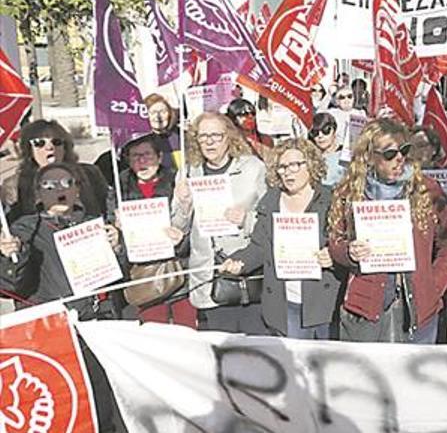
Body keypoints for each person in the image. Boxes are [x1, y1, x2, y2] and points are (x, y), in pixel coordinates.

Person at [0, 162, 127, 432]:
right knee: (76, 411)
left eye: (66, 183)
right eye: (49, 185)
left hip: (100, 327)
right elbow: (11, 284)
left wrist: (118, 248)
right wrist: (13, 255)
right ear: (37, 194)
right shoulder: (25, 230)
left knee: (109, 409)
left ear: (78, 190)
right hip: (59, 334)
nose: (59, 190)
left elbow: (120, 281)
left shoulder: (94, 223)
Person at [327, 118, 447, 343]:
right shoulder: (350, 191)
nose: (399, 159)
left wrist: (433, 285)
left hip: (418, 309)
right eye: (389, 154)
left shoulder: (427, 189)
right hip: (367, 308)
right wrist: (348, 252)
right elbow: (335, 240)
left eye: (404, 150)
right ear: (369, 156)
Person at [220, 139, 341, 338]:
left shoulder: (331, 200)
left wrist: (333, 255)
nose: (288, 171)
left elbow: (344, 244)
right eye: (282, 167)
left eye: (295, 164)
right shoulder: (271, 201)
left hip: (324, 303)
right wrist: (239, 262)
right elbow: (259, 247)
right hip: (286, 302)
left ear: (310, 164)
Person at [172, 111, 268, 334]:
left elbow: (269, 222)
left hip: (246, 275)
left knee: (253, 353)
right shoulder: (188, 173)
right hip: (208, 277)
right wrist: (184, 206)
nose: (209, 142)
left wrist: (246, 219)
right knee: (222, 356)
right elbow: (178, 229)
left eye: (216, 135)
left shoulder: (253, 168)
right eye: (203, 136)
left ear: (229, 136)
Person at [118, 134, 194, 328]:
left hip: (179, 272)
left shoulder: (177, 182)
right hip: (144, 277)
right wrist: (118, 231)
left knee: (186, 334)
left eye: (147, 155)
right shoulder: (120, 187)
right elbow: (116, 240)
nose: (142, 161)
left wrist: (181, 237)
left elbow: (193, 226)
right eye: (135, 156)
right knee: (154, 336)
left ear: (159, 157)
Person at [3, 119, 109, 223]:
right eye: (39, 143)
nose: (50, 147)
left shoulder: (89, 172)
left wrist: (114, 227)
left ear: (65, 147)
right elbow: (12, 225)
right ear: (29, 149)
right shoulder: (14, 185)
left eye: (56, 142)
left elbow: (108, 208)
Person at [94, 93, 182, 183]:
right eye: (152, 112)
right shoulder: (134, 140)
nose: (158, 117)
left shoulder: (182, 138)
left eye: (163, 112)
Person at [308, 112, 345, 186]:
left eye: (326, 130)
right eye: (315, 133)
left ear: (334, 131)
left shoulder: (345, 155)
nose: (320, 136)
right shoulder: (311, 158)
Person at [328, 86, 366, 154]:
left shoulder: (361, 113)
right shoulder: (331, 113)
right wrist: (329, 95)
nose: (346, 99)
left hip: (356, 151)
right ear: (337, 101)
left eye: (349, 96)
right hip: (337, 151)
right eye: (342, 97)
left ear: (353, 98)